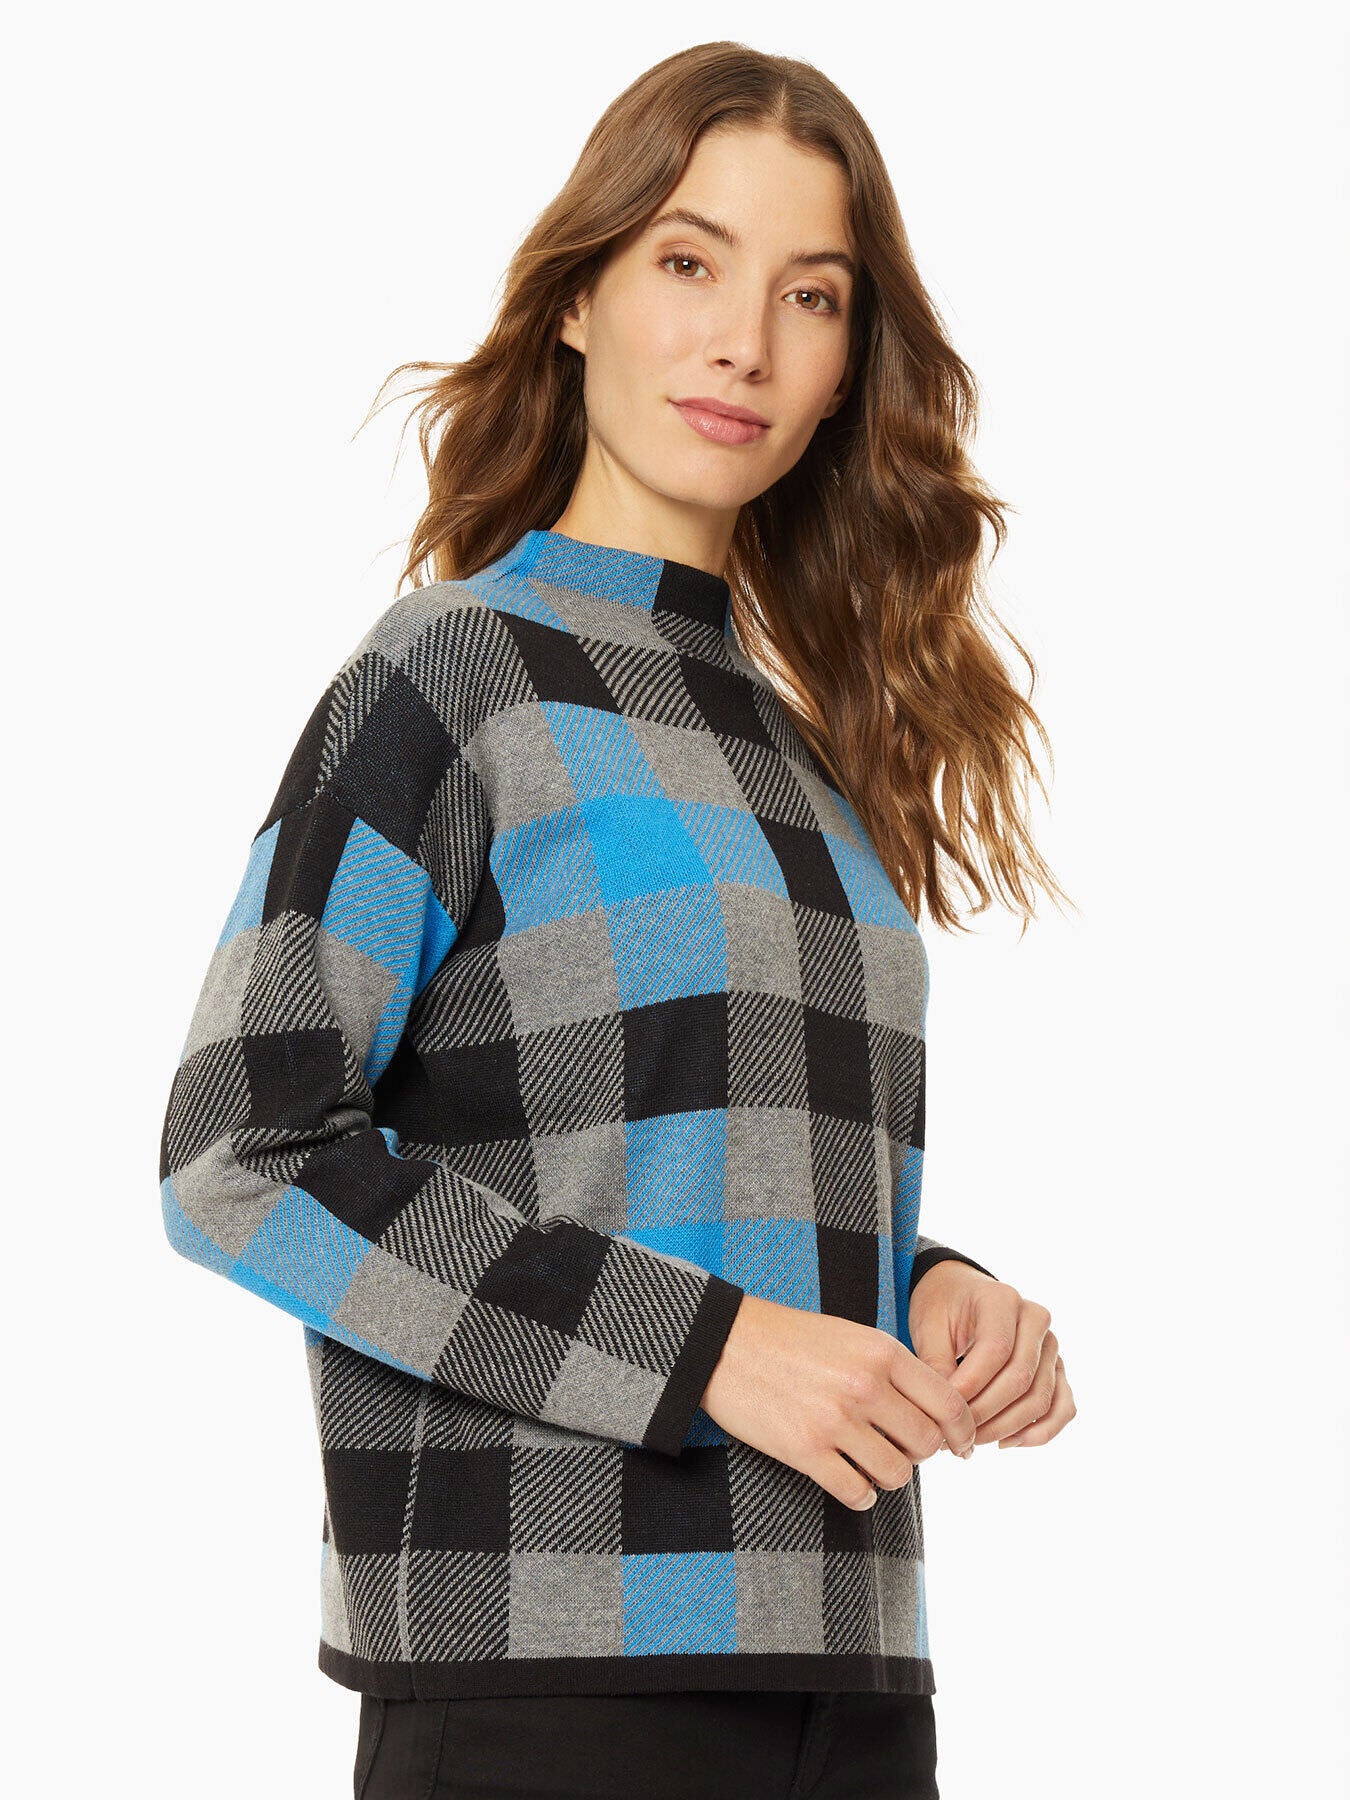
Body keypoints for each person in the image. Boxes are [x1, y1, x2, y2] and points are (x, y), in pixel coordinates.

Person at [158, 39, 1077, 1800]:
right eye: (687, 260)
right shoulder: (451, 674)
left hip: (846, 1664)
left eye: (809, 295)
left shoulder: (805, 752)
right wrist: (712, 1350)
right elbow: (238, 1154)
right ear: (578, 298)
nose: (743, 341)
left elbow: (664, 1154)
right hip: (546, 1676)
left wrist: (925, 1288)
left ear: (845, 371)